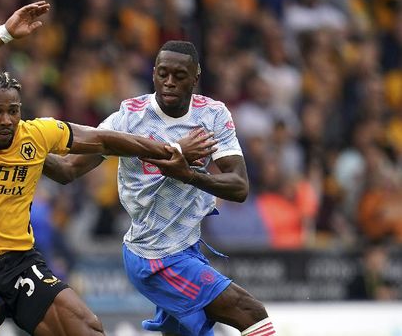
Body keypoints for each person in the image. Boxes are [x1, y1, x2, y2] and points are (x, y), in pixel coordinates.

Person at [0, 1, 206, 336]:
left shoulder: (35, 135)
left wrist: (170, 149)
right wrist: (3, 34)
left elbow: (103, 141)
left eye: (13, 110)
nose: (7, 120)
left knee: (89, 327)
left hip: (22, 265)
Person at [42, 40, 276, 335]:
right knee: (250, 311)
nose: (169, 83)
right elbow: (67, 170)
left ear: (195, 77)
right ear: (153, 73)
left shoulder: (212, 115)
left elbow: (239, 187)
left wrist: (188, 174)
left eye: (179, 76)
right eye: (163, 74)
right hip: (154, 255)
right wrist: (26, 147)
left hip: (188, 248)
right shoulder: (128, 118)